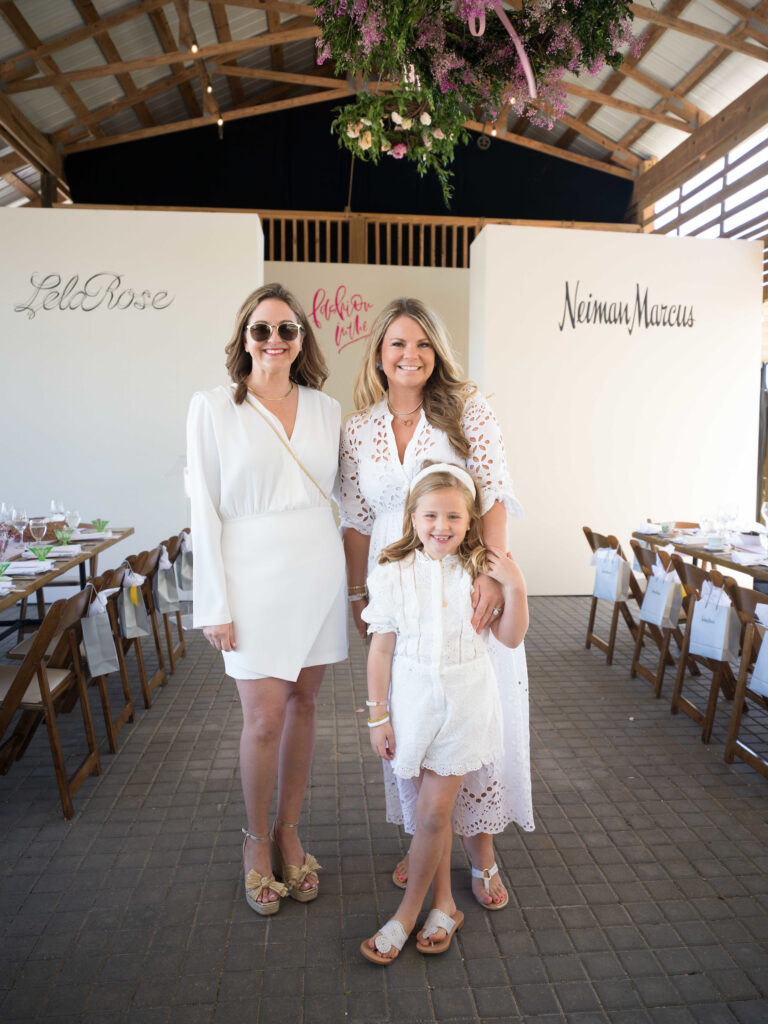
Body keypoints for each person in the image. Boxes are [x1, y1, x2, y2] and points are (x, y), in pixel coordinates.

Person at [340, 297, 533, 910]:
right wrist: (355, 590)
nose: (410, 355)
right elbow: (357, 519)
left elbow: (496, 495)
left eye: (423, 343)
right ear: (378, 353)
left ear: (437, 352)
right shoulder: (359, 429)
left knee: (474, 715)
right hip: (398, 595)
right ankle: (425, 839)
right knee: (416, 717)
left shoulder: (466, 412)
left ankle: (482, 856)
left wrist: (492, 576)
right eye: (398, 343)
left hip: (463, 594)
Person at [187, 282, 347, 916]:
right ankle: (256, 844)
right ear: (244, 339)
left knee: (305, 705)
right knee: (263, 718)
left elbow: (350, 499)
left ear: (302, 340)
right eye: (262, 329)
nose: (275, 340)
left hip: (318, 569)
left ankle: (289, 830)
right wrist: (213, 604)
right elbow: (202, 508)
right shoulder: (212, 407)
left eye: (287, 330)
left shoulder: (327, 409)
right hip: (251, 577)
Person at [360, 463, 528, 964]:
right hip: (411, 710)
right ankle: (446, 905)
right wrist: (377, 716)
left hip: (464, 708)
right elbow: (380, 652)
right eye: (431, 514)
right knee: (429, 818)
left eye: (453, 516)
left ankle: (405, 916)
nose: (441, 525)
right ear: (412, 518)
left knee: (434, 813)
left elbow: (510, 637)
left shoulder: (480, 573)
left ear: (470, 519)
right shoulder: (391, 574)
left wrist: (515, 587)